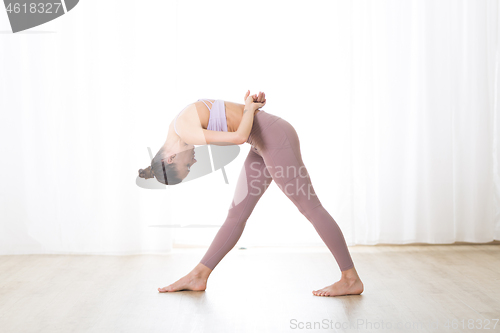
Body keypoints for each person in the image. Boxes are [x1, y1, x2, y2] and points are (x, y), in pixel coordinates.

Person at [139, 91, 364, 297]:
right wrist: (249, 108)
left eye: (186, 167)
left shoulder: (185, 131)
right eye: (190, 168)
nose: (193, 162)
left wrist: (249, 108)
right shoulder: (179, 126)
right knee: (236, 215)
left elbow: (238, 137)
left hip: (275, 138)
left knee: (310, 207)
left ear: (170, 159)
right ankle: (198, 275)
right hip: (261, 142)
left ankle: (350, 279)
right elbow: (230, 119)